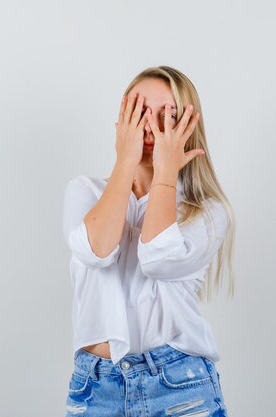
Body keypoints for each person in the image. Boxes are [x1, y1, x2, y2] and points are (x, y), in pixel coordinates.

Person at [61, 65, 235, 417]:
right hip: (96, 388)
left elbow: (157, 258)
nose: (150, 127)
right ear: (121, 121)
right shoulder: (85, 191)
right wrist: (126, 161)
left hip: (178, 385)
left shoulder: (208, 212)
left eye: (168, 117)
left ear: (188, 128)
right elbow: (97, 250)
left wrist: (165, 173)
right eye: (139, 112)